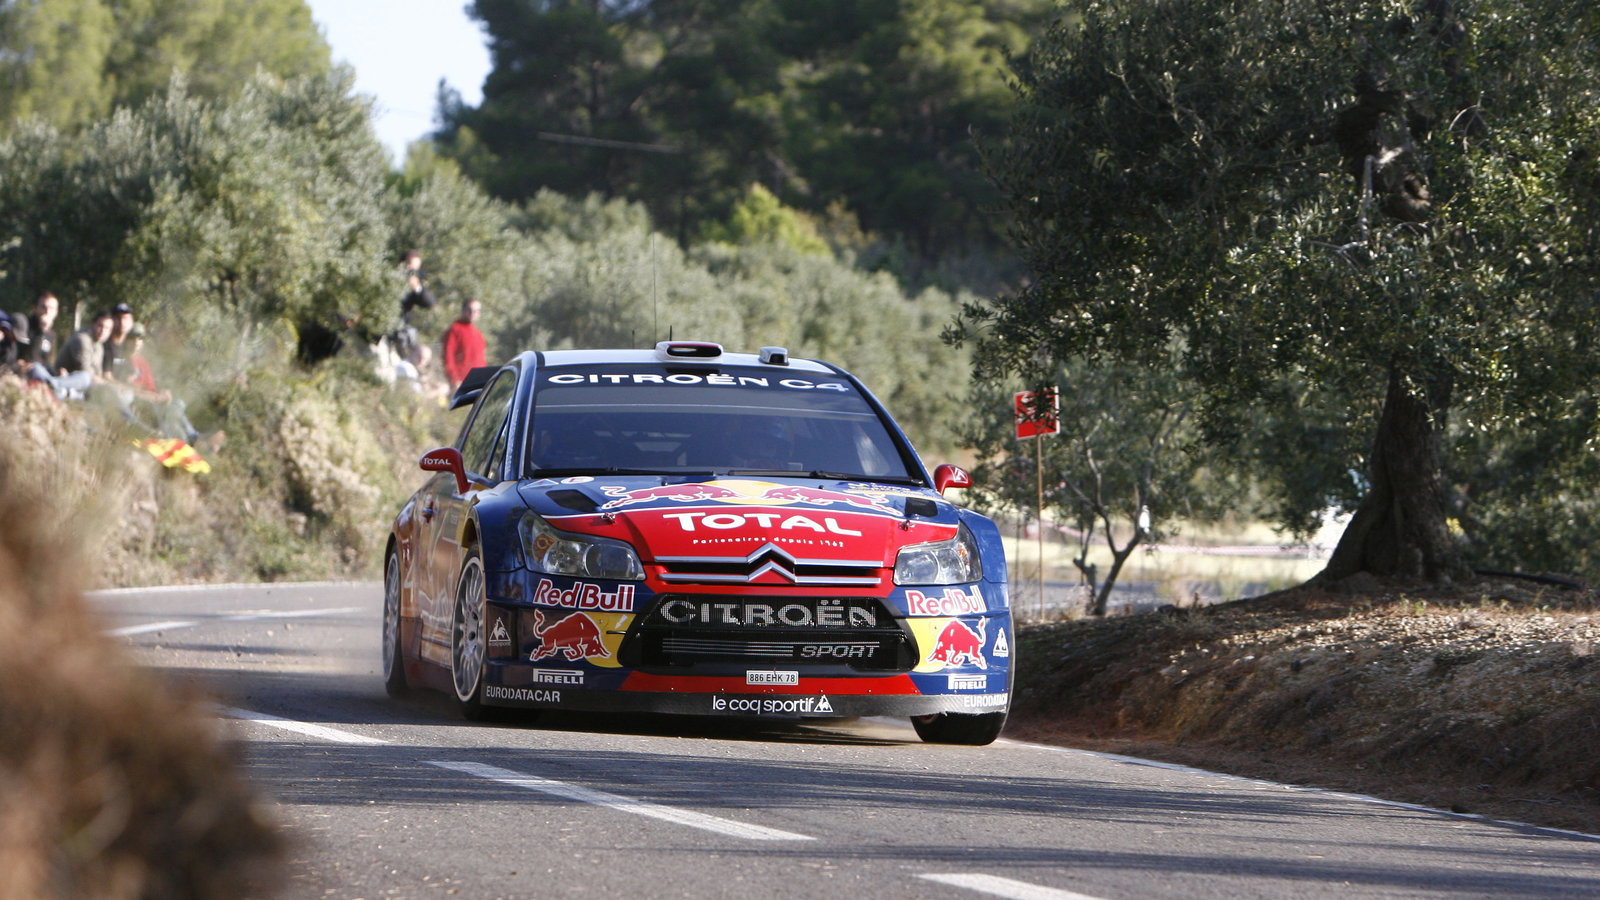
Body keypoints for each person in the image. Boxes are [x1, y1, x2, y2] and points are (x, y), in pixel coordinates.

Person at [394, 249, 435, 362]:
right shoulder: (389, 279)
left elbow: (428, 303)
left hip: (397, 335)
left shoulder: (412, 288)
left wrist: (416, 287)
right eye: (411, 267)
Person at [441, 298, 486, 392]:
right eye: (470, 310)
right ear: (463, 310)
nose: (473, 313)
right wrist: (454, 379)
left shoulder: (478, 333)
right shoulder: (455, 330)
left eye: (477, 311)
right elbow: (448, 356)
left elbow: (481, 360)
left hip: (478, 383)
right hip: (461, 383)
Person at [25, 292, 60, 370]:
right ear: (35, 308)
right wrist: (41, 330)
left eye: (51, 308)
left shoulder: (52, 335)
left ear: (56, 312)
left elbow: (50, 362)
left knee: (84, 376)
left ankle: (57, 381)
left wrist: (58, 372)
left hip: (43, 373)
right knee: (36, 368)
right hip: (30, 370)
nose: (47, 312)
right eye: (43, 307)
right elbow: (31, 359)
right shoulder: (26, 326)